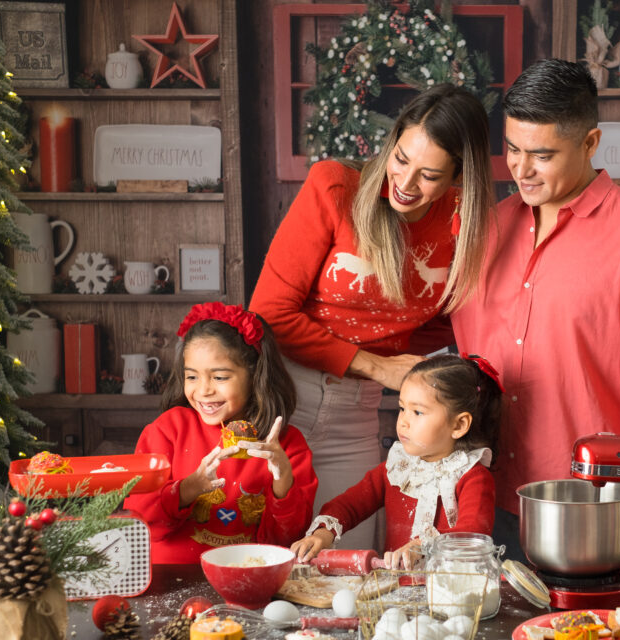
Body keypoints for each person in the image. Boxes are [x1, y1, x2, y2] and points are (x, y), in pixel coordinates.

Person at [452, 58, 620, 559]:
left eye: (541, 155)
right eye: (513, 149)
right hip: (479, 498)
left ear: (590, 143)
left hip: (590, 511)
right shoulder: (485, 229)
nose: (520, 169)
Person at [250, 84, 494, 549]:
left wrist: (396, 364)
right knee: (268, 555)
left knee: (347, 566)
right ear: (392, 139)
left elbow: (452, 319)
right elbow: (269, 315)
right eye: (400, 159)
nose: (404, 183)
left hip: (358, 415)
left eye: (429, 175)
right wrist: (378, 365)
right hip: (283, 396)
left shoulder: (465, 223)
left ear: (459, 177)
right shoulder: (335, 187)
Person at [124, 302, 318, 563]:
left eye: (219, 377)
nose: (203, 390)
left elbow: (286, 541)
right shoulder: (166, 431)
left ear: (254, 375)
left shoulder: (286, 445)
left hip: (250, 581)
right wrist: (189, 488)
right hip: (171, 579)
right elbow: (142, 524)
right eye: (192, 377)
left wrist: (282, 479)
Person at [289, 354, 501, 569]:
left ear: (459, 425)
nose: (404, 422)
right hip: (395, 592)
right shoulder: (399, 468)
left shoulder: (473, 477)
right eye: (402, 408)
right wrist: (324, 533)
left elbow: (472, 536)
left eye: (417, 412)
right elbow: (350, 504)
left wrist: (422, 546)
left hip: (450, 595)